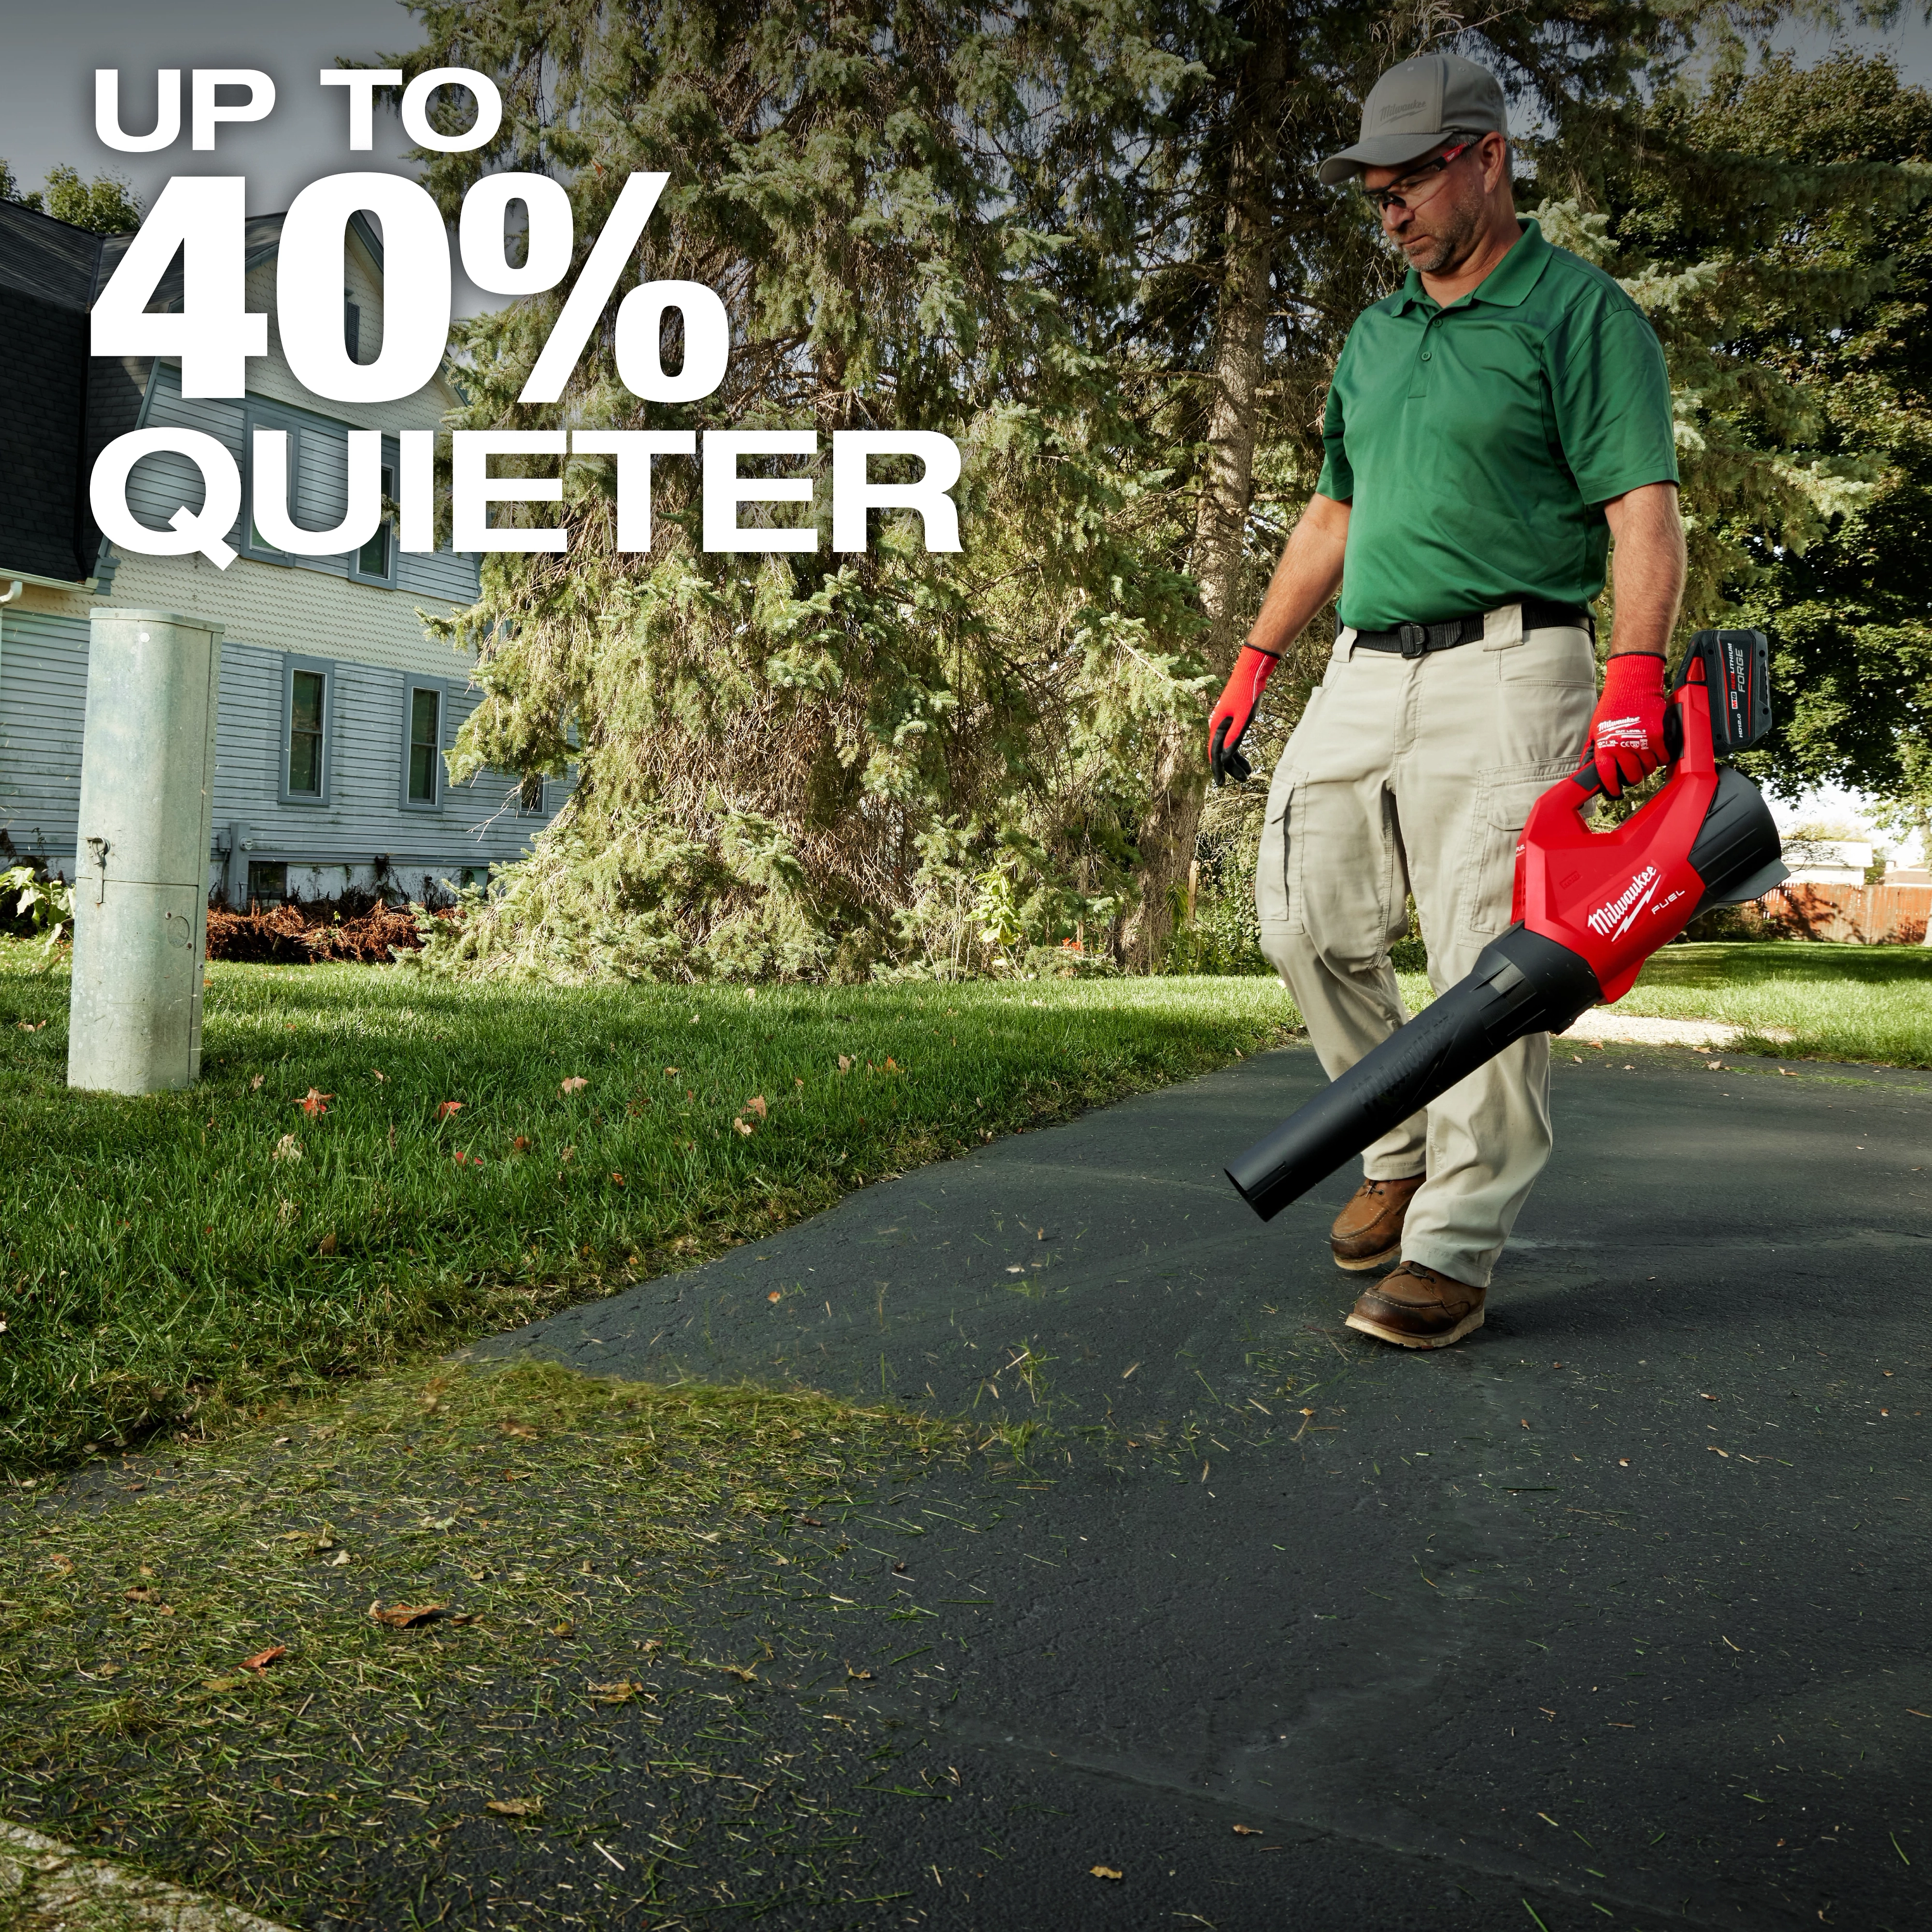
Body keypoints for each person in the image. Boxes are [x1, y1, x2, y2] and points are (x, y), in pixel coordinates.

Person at [1206, 51, 1685, 1350]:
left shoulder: (1580, 316)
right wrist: (1259, 656)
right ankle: (1397, 1139)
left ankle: (1456, 1249)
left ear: (1486, 157)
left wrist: (1635, 676)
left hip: (1514, 667)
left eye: (1411, 182)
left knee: (1492, 964)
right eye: (1374, 193)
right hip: (1365, 666)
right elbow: (1334, 508)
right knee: (1301, 914)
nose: (1391, 211)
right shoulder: (1378, 334)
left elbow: (1640, 507)